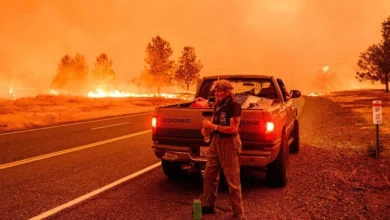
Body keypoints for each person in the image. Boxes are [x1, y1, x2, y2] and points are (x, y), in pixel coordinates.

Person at [201, 79, 245, 220]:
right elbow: (215, 123)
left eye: (219, 91)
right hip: (216, 141)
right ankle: (208, 205)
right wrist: (207, 130)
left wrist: (212, 127)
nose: (216, 93)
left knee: (232, 180)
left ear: (227, 92)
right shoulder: (218, 106)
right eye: (215, 91)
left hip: (229, 143)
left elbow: (233, 129)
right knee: (209, 175)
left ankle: (239, 214)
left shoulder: (234, 106)